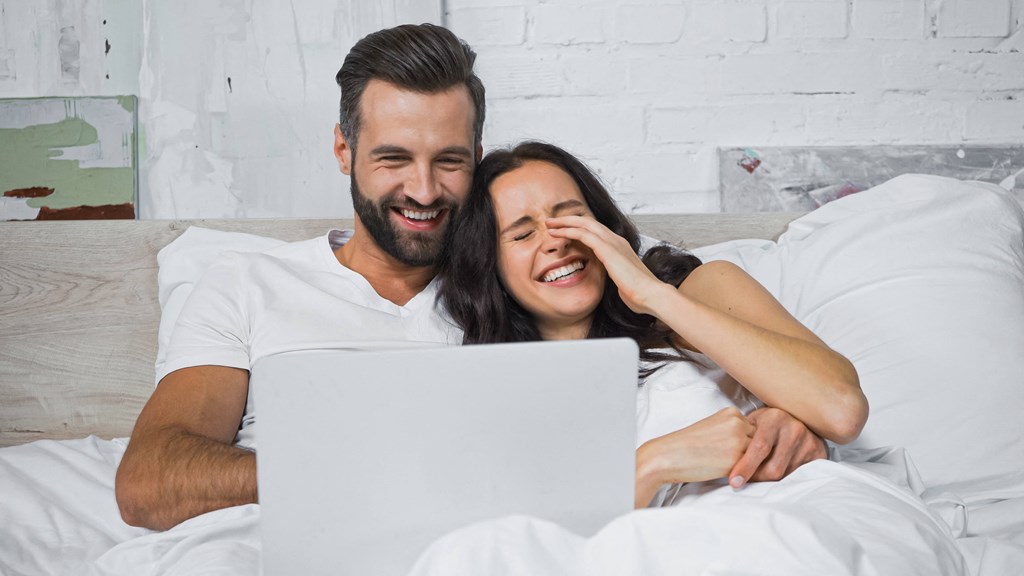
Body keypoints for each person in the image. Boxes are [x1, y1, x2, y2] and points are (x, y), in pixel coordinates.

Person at [116, 24, 830, 532]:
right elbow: (150, 482)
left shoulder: (529, 282)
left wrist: (779, 417)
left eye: (450, 161)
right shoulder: (247, 283)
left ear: (477, 153)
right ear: (343, 149)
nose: (423, 190)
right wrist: (366, 473)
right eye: (394, 157)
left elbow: (655, 361)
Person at [437, 141, 869, 507]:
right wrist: (654, 464)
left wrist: (654, 296)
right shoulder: (493, 394)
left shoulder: (701, 291)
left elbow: (841, 410)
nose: (556, 240)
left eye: (570, 217)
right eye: (523, 233)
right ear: (491, 264)